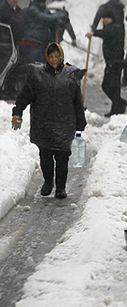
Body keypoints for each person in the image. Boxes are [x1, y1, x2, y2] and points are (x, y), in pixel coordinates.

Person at [11, 42, 87, 199]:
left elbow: (77, 102)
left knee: (62, 157)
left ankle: (60, 187)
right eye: (51, 56)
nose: (54, 59)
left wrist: (81, 121)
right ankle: (48, 181)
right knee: (45, 156)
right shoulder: (37, 75)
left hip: (65, 123)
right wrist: (17, 112)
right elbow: (25, 96)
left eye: (56, 56)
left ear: (61, 57)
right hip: (43, 122)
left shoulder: (70, 76)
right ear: (47, 57)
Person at [86, 10, 127, 117]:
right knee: (113, 87)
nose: (103, 20)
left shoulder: (116, 28)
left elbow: (106, 32)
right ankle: (117, 107)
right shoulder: (112, 28)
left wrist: (94, 32)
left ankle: (119, 104)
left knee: (108, 86)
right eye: (103, 19)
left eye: (106, 18)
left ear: (110, 19)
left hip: (115, 62)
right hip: (111, 62)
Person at [21, 0, 65, 64]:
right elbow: (47, 19)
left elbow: (53, 21)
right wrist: (59, 15)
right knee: (34, 67)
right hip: (32, 44)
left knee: (42, 67)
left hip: (42, 44)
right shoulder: (32, 10)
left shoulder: (44, 10)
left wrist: (60, 20)